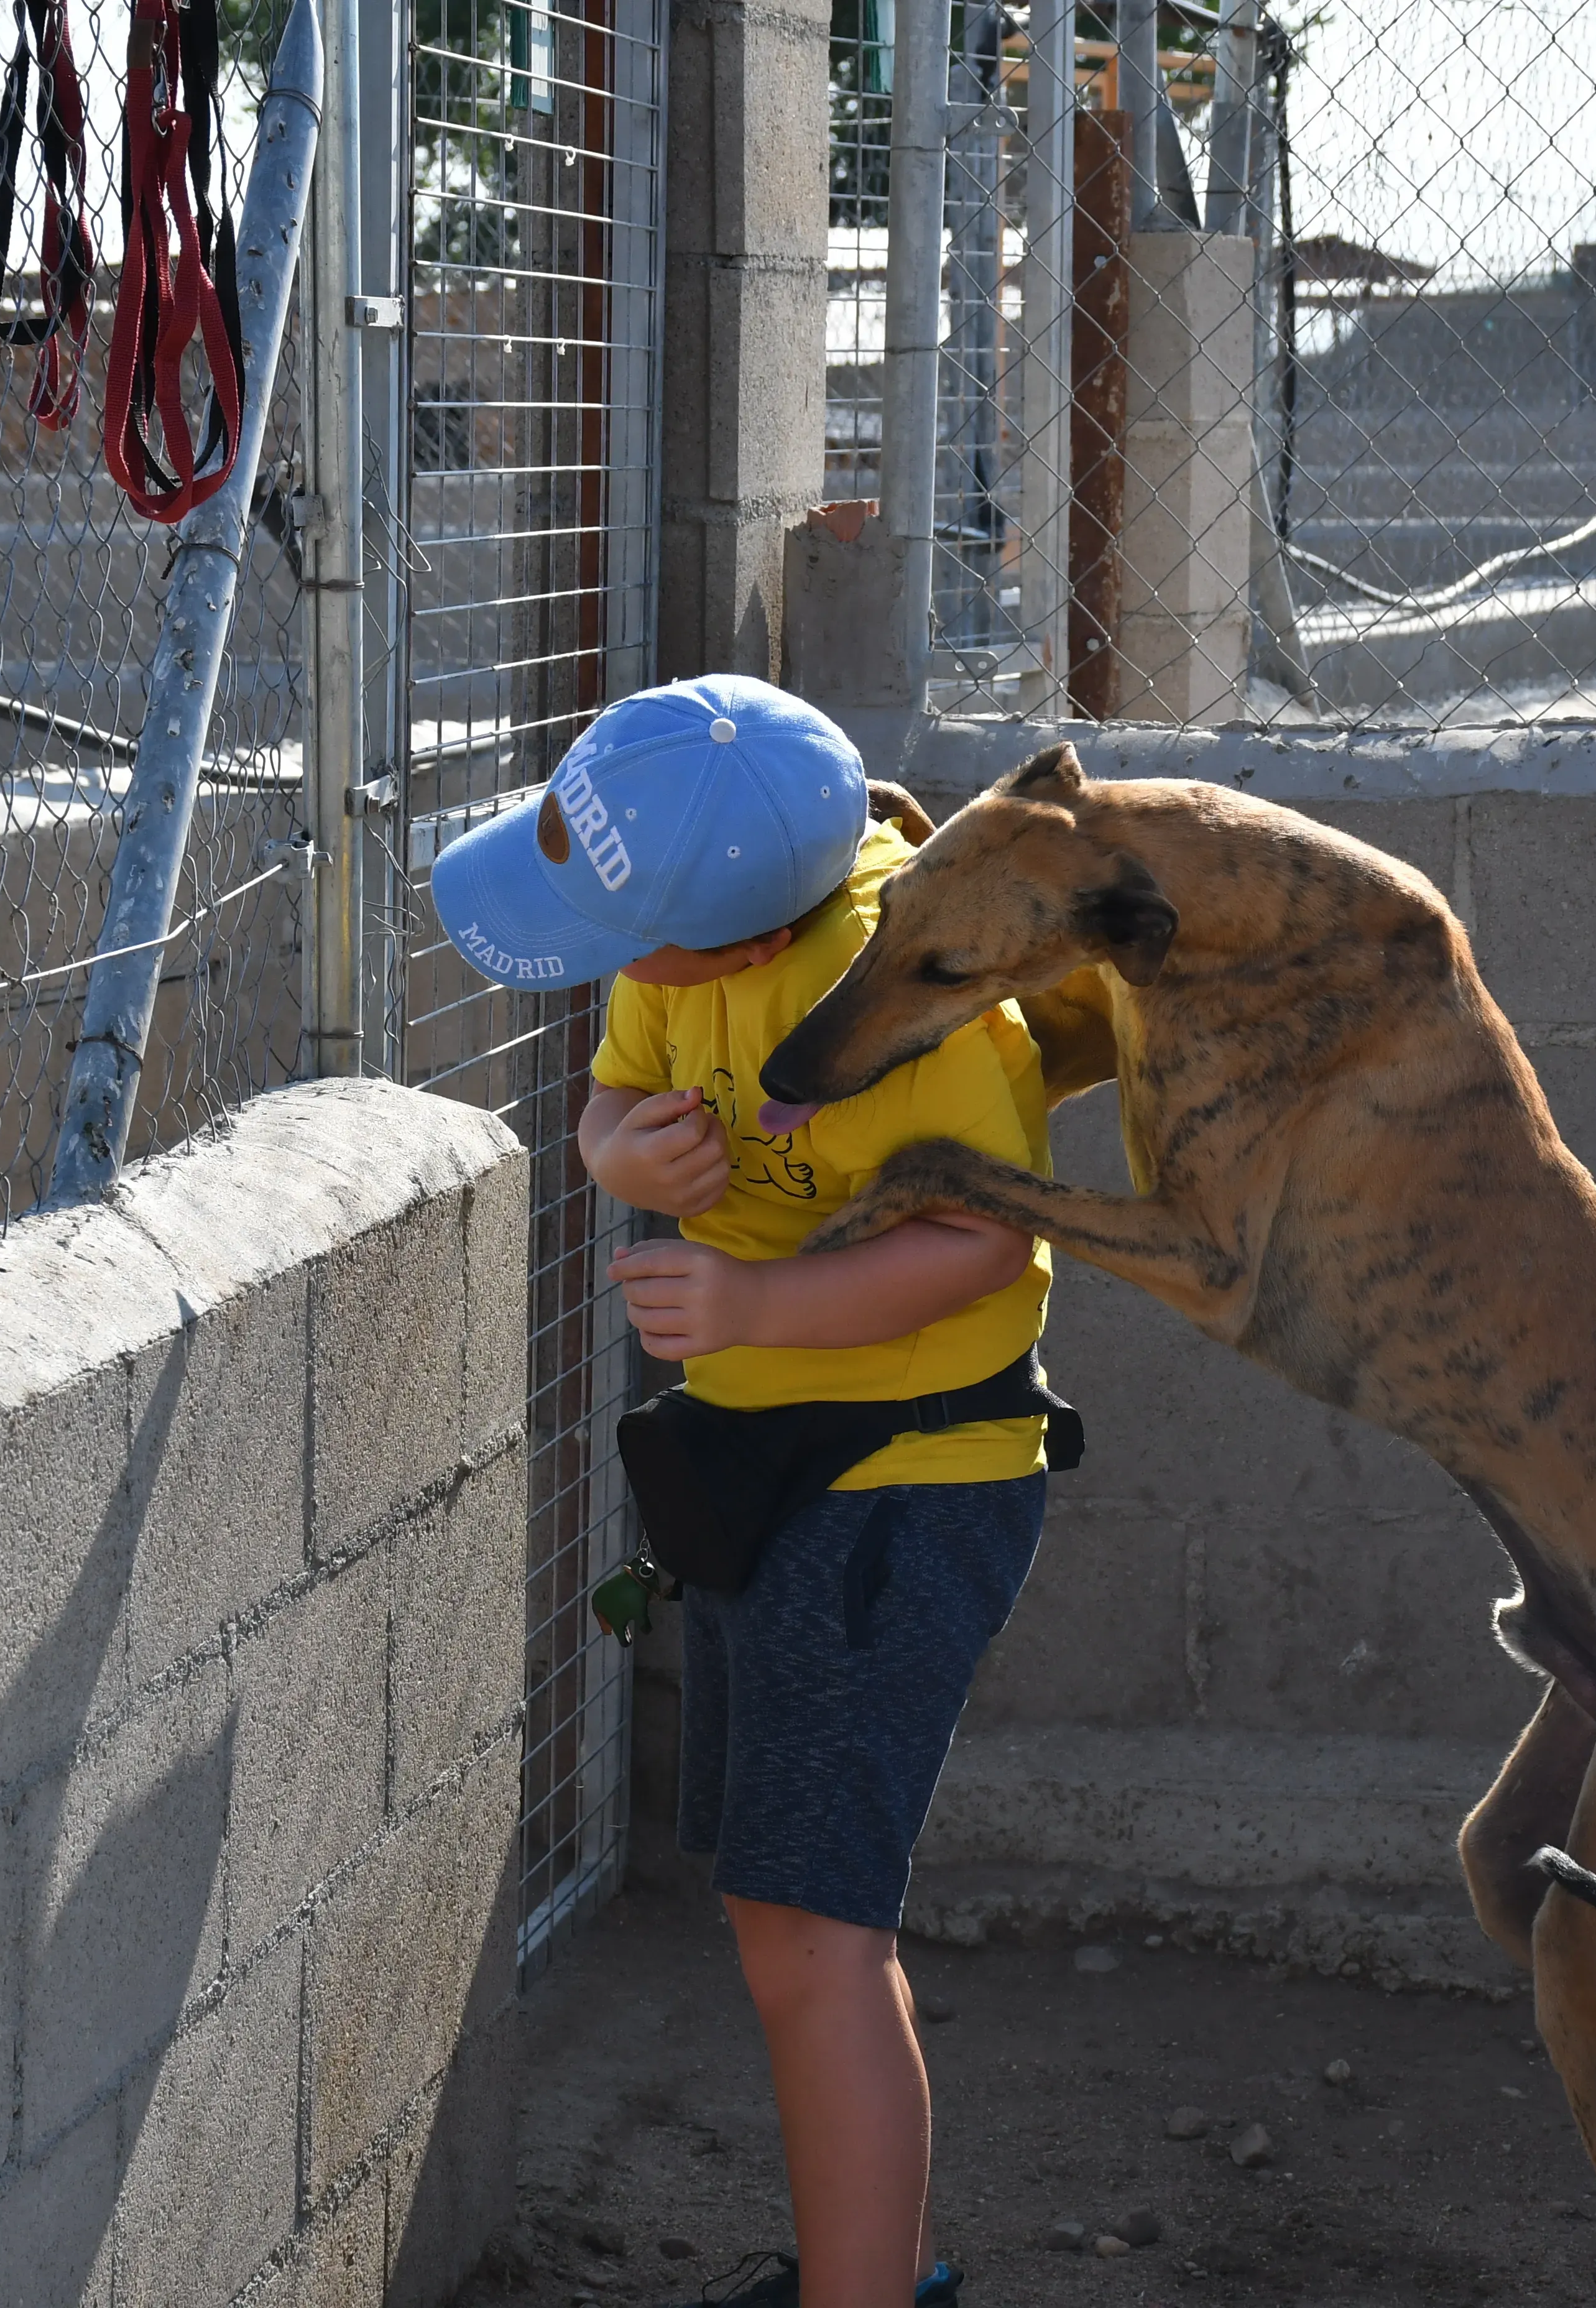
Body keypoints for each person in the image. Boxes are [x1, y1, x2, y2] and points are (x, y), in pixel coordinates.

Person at [430, 674, 1057, 2308]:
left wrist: (764, 1307)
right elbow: (614, 1099)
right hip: (758, 1475)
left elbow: (992, 1234)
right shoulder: (680, 961)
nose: (602, 966)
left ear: (736, 943)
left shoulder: (919, 1005)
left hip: (906, 1485)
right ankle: (871, 2273)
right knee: (783, 1913)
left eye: (614, 932)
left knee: (809, 1926)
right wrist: (619, 1159)